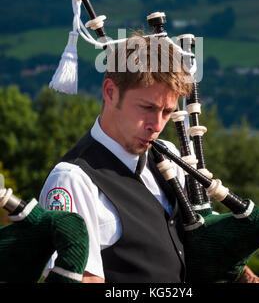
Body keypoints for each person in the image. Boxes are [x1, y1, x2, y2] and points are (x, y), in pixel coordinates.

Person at [40, 34, 193, 283]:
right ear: (110, 92)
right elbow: (82, 279)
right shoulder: (72, 180)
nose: (157, 125)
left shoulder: (168, 156)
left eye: (167, 112)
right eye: (147, 108)